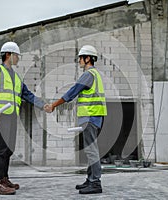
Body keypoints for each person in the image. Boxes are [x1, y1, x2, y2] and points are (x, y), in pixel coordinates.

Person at [0, 41, 50, 195]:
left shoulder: (16, 77)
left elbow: (27, 94)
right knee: (1, 148)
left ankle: (4, 178)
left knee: (9, 148)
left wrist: (42, 105)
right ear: (8, 55)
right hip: (1, 115)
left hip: (12, 116)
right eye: (16, 55)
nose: (18, 58)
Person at [47, 45, 107, 194]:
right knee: (90, 149)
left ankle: (95, 182)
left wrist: (54, 105)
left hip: (90, 116)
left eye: (80, 58)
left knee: (91, 150)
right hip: (95, 116)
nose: (79, 61)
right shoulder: (96, 74)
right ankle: (90, 179)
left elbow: (72, 92)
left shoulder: (88, 74)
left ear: (87, 58)